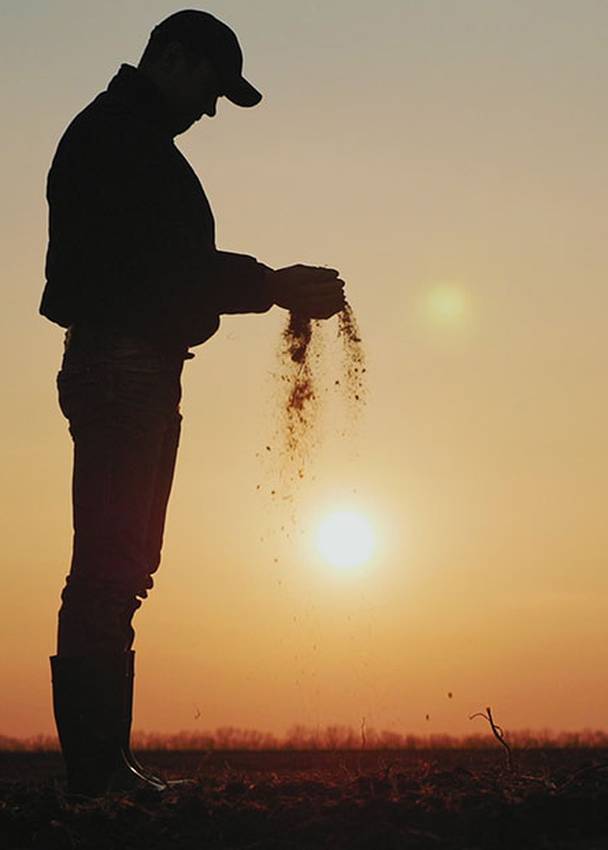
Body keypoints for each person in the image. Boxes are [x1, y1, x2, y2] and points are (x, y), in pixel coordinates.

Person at [40, 9, 346, 797]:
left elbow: (169, 266)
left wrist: (264, 286)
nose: (211, 110)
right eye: (212, 89)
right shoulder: (117, 141)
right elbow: (162, 268)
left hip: (139, 369)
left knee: (124, 569)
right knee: (108, 571)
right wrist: (270, 286)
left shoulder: (133, 143)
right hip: (122, 368)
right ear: (175, 60)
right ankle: (99, 777)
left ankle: (105, 769)